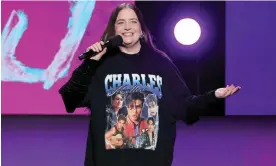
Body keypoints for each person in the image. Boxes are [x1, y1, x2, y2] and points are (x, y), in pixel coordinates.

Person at [58, 3, 240, 166]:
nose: (127, 27)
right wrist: (90, 63)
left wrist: (213, 96)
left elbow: (184, 108)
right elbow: (70, 99)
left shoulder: (160, 63)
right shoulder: (101, 64)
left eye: (133, 21)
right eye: (121, 22)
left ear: (141, 29)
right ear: (113, 30)